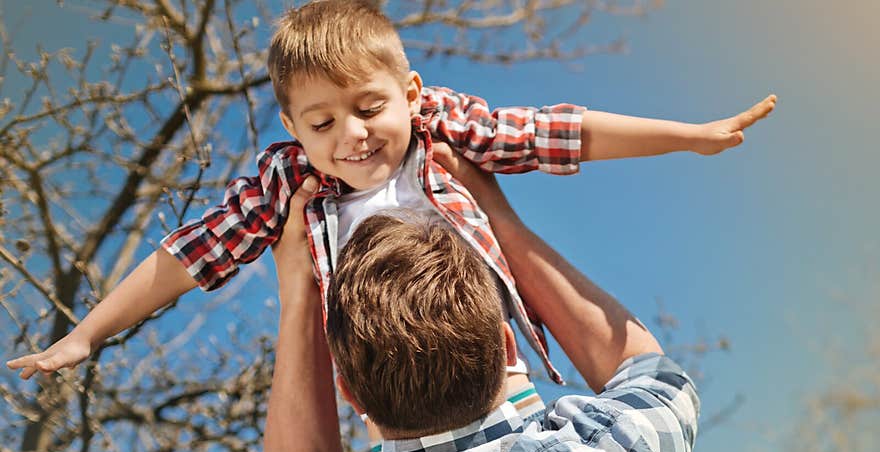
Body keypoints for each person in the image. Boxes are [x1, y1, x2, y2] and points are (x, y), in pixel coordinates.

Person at [6, 0, 776, 419]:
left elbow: (552, 131)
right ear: (293, 130)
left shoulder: (441, 127)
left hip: (496, 378)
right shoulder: (286, 185)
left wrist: (687, 137)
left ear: (408, 94)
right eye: (322, 123)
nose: (352, 135)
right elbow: (187, 256)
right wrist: (84, 336)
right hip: (392, 401)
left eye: (369, 107)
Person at [257, 143, 700, 452]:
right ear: (508, 349)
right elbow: (647, 368)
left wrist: (299, 294)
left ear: (349, 394)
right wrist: (498, 216)